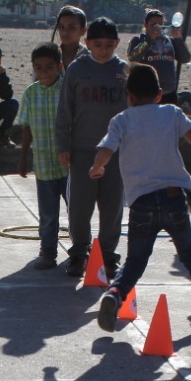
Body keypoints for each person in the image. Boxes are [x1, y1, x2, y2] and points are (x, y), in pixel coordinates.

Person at [94, 63, 191, 332]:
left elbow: (107, 147)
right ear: (159, 94)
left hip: (141, 202)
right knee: (190, 255)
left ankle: (115, 293)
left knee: (135, 261)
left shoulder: (121, 120)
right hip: (174, 198)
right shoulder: (172, 113)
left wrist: (98, 166)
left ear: (128, 95)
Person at [56, 16, 129, 280]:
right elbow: (65, 110)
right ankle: (78, 253)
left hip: (115, 153)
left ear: (117, 43)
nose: (104, 50)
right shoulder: (77, 69)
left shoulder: (123, 71)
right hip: (83, 151)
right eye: (98, 45)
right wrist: (63, 145)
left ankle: (108, 256)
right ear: (87, 43)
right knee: (79, 208)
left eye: (110, 45)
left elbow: (132, 113)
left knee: (112, 209)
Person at [18, 42, 68, 270]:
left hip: (69, 164)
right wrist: (22, 158)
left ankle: (79, 251)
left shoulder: (68, 90)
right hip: (44, 165)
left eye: (49, 67)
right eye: (39, 68)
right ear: (33, 68)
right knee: (48, 214)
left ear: (59, 66)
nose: (44, 72)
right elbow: (26, 127)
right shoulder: (31, 93)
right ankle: (48, 252)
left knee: (75, 212)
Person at [127, 9, 191, 104]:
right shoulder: (138, 40)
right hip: (147, 92)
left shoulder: (170, 41)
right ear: (145, 25)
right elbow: (133, 57)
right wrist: (149, 40)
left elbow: (185, 58)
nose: (157, 28)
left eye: (160, 25)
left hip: (169, 92)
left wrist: (178, 38)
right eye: (153, 25)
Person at [52, 5, 88, 70]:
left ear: (83, 31)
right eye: (62, 27)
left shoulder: (90, 58)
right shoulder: (49, 55)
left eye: (72, 27)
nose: (65, 32)